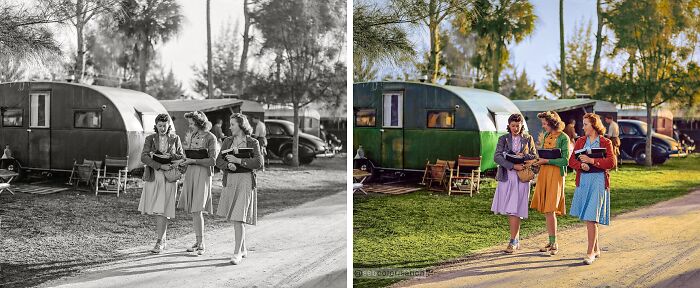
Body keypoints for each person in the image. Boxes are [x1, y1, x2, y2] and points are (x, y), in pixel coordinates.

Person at [215, 113, 264, 265]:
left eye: (233, 124)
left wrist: (238, 160)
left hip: (245, 180)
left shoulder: (253, 141)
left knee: (238, 217)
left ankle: (236, 253)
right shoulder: (227, 141)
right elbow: (218, 161)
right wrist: (227, 165)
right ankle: (243, 249)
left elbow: (258, 163)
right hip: (230, 180)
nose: (229, 127)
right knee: (237, 218)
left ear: (241, 125)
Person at [569, 113, 616, 265]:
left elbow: (611, 162)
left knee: (591, 217)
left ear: (594, 125)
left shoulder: (605, 141)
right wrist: (580, 165)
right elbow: (571, 161)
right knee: (590, 218)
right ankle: (596, 249)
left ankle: (589, 253)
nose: (583, 127)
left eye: (586, 124)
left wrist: (592, 161)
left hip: (598, 181)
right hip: (584, 181)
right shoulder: (580, 141)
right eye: (583, 124)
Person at [491, 114, 538, 253]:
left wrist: (523, 157)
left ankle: (513, 241)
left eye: (518, 125)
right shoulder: (503, 139)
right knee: (511, 209)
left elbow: (534, 156)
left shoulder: (528, 138)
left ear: (521, 125)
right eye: (513, 126)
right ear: (509, 125)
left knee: (516, 208)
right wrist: (512, 165)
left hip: (522, 178)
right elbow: (497, 157)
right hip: (507, 176)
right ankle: (515, 240)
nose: (515, 128)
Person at [138, 114, 184, 253]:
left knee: (164, 209)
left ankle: (160, 241)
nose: (162, 128)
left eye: (165, 125)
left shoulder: (175, 138)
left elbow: (182, 157)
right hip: (155, 176)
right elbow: (143, 157)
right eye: (160, 126)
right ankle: (162, 240)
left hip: (169, 177)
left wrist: (171, 157)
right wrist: (159, 164)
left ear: (169, 125)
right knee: (158, 209)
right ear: (156, 125)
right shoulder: (150, 139)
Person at [178, 111, 219, 255]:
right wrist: (182, 162)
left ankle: (201, 243)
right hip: (190, 173)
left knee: (198, 209)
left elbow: (213, 160)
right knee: (194, 211)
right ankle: (198, 240)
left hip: (203, 174)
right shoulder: (193, 136)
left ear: (199, 122)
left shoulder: (211, 137)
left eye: (191, 123)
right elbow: (187, 155)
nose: (190, 126)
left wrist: (194, 160)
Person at [530, 111, 570, 255]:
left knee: (551, 208)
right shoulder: (547, 136)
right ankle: (551, 241)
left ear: (552, 123)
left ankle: (555, 243)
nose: (543, 126)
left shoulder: (564, 138)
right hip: (544, 174)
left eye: (545, 123)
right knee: (547, 210)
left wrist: (547, 160)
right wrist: (538, 160)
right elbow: (544, 154)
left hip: (556, 176)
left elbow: (565, 161)